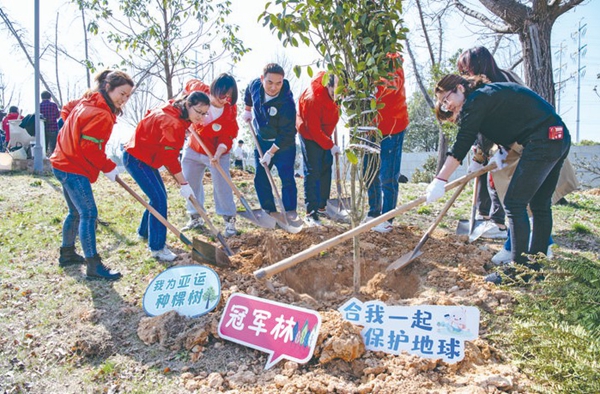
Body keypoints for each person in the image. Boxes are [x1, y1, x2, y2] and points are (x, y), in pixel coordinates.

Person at [427, 74, 571, 275]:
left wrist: (440, 179)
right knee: (539, 205)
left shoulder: (476, 100)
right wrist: (502, 151)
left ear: (460, 88)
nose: (446, 106)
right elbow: (511, 120)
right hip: (558, 135)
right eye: (443, 104)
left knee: (514, 203)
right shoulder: (487, 96)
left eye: (446, 99)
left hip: (543, 141)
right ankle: (536, 267)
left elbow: (463, 142)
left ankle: (518, 271)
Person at [457, 46, 578, 264]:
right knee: (528, 203)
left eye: (466, 70)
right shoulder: (503, 77)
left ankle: (519, 255)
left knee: (516, 202)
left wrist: (480, 156)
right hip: (534, 140)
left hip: (527, 145)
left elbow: (484, 129)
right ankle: (530, 254)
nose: (464, 76)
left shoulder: (489, 87)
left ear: (476, 67)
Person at [50, 70, 134, 280]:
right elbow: (90, 148)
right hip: (72, 165)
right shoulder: (101, 113)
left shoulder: (89, 100)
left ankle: (67, 253)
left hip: (61, 161)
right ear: (108, 87)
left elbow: (68, 108)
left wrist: (68, 129)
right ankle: (94, 265)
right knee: (88, 213)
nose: (123, 99)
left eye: (127, 96)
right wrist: (108, 167)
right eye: (121, 93)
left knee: (76, 212)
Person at [123, 91, 209, 262]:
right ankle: (157, 247)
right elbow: (170, 158)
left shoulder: (175, 110)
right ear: (187, 105)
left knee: (158, 197)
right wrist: (183, 184)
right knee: (159, 199)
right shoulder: (172, 123)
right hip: (138, 158)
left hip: (145, 156)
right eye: (198, 112)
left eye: (204, 113)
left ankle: (144, 232)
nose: (201, 117)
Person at [180, 74, 239, 237]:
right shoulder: (200, 91)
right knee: (190, 181)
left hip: (217, 152)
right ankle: (195, 216)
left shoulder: (229, 111)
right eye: (223, 94)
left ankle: (229, 220)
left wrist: (218, 153)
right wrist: (182, 99)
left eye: (229, 97)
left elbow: (228, 134)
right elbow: (188, 84)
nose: (225, 99)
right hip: (194, 147)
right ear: (214, 89)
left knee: (222, 184)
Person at [242, 63, 298, 220]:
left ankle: (290, 212)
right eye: (270, 82)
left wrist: (271, 152)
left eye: (278, 83)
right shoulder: (255, 86)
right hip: (262, 139)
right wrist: (247, 110)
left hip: (284, 144)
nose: (274, 87)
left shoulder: (287, 102)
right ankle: (269, 211)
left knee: (286, 176)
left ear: (283, 81)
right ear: (262, 79)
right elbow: (247, 92)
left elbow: (287, 134)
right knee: (261, 177)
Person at [363, 52, 409, 233]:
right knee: (369, 171)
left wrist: (372, 87)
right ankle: (374, 212)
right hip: (370, 128)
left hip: (392, 127)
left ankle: (387, 218)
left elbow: (392, 85)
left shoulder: (392, 60)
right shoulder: (363, 57)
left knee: (388, 175)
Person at [296, 70, 340, 226]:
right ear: (328, 86)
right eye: (335, 92)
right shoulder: (312, 99)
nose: (338, 95)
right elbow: (314, 130)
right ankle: (311, 211)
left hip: (325, 131)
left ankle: (322, 206)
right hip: (308, 132)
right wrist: (330, 145)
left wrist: (329, 141)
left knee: (326, 165)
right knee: (313, 169)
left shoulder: (339, 92)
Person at [40, 91, 61, 156]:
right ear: (50, 97)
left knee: (44, 146)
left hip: (43, 129)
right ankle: (54, 159)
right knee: (54, 146)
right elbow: (57, 116)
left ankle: (44, 158)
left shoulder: (39, 106)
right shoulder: (53, 105)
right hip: (53, 128)